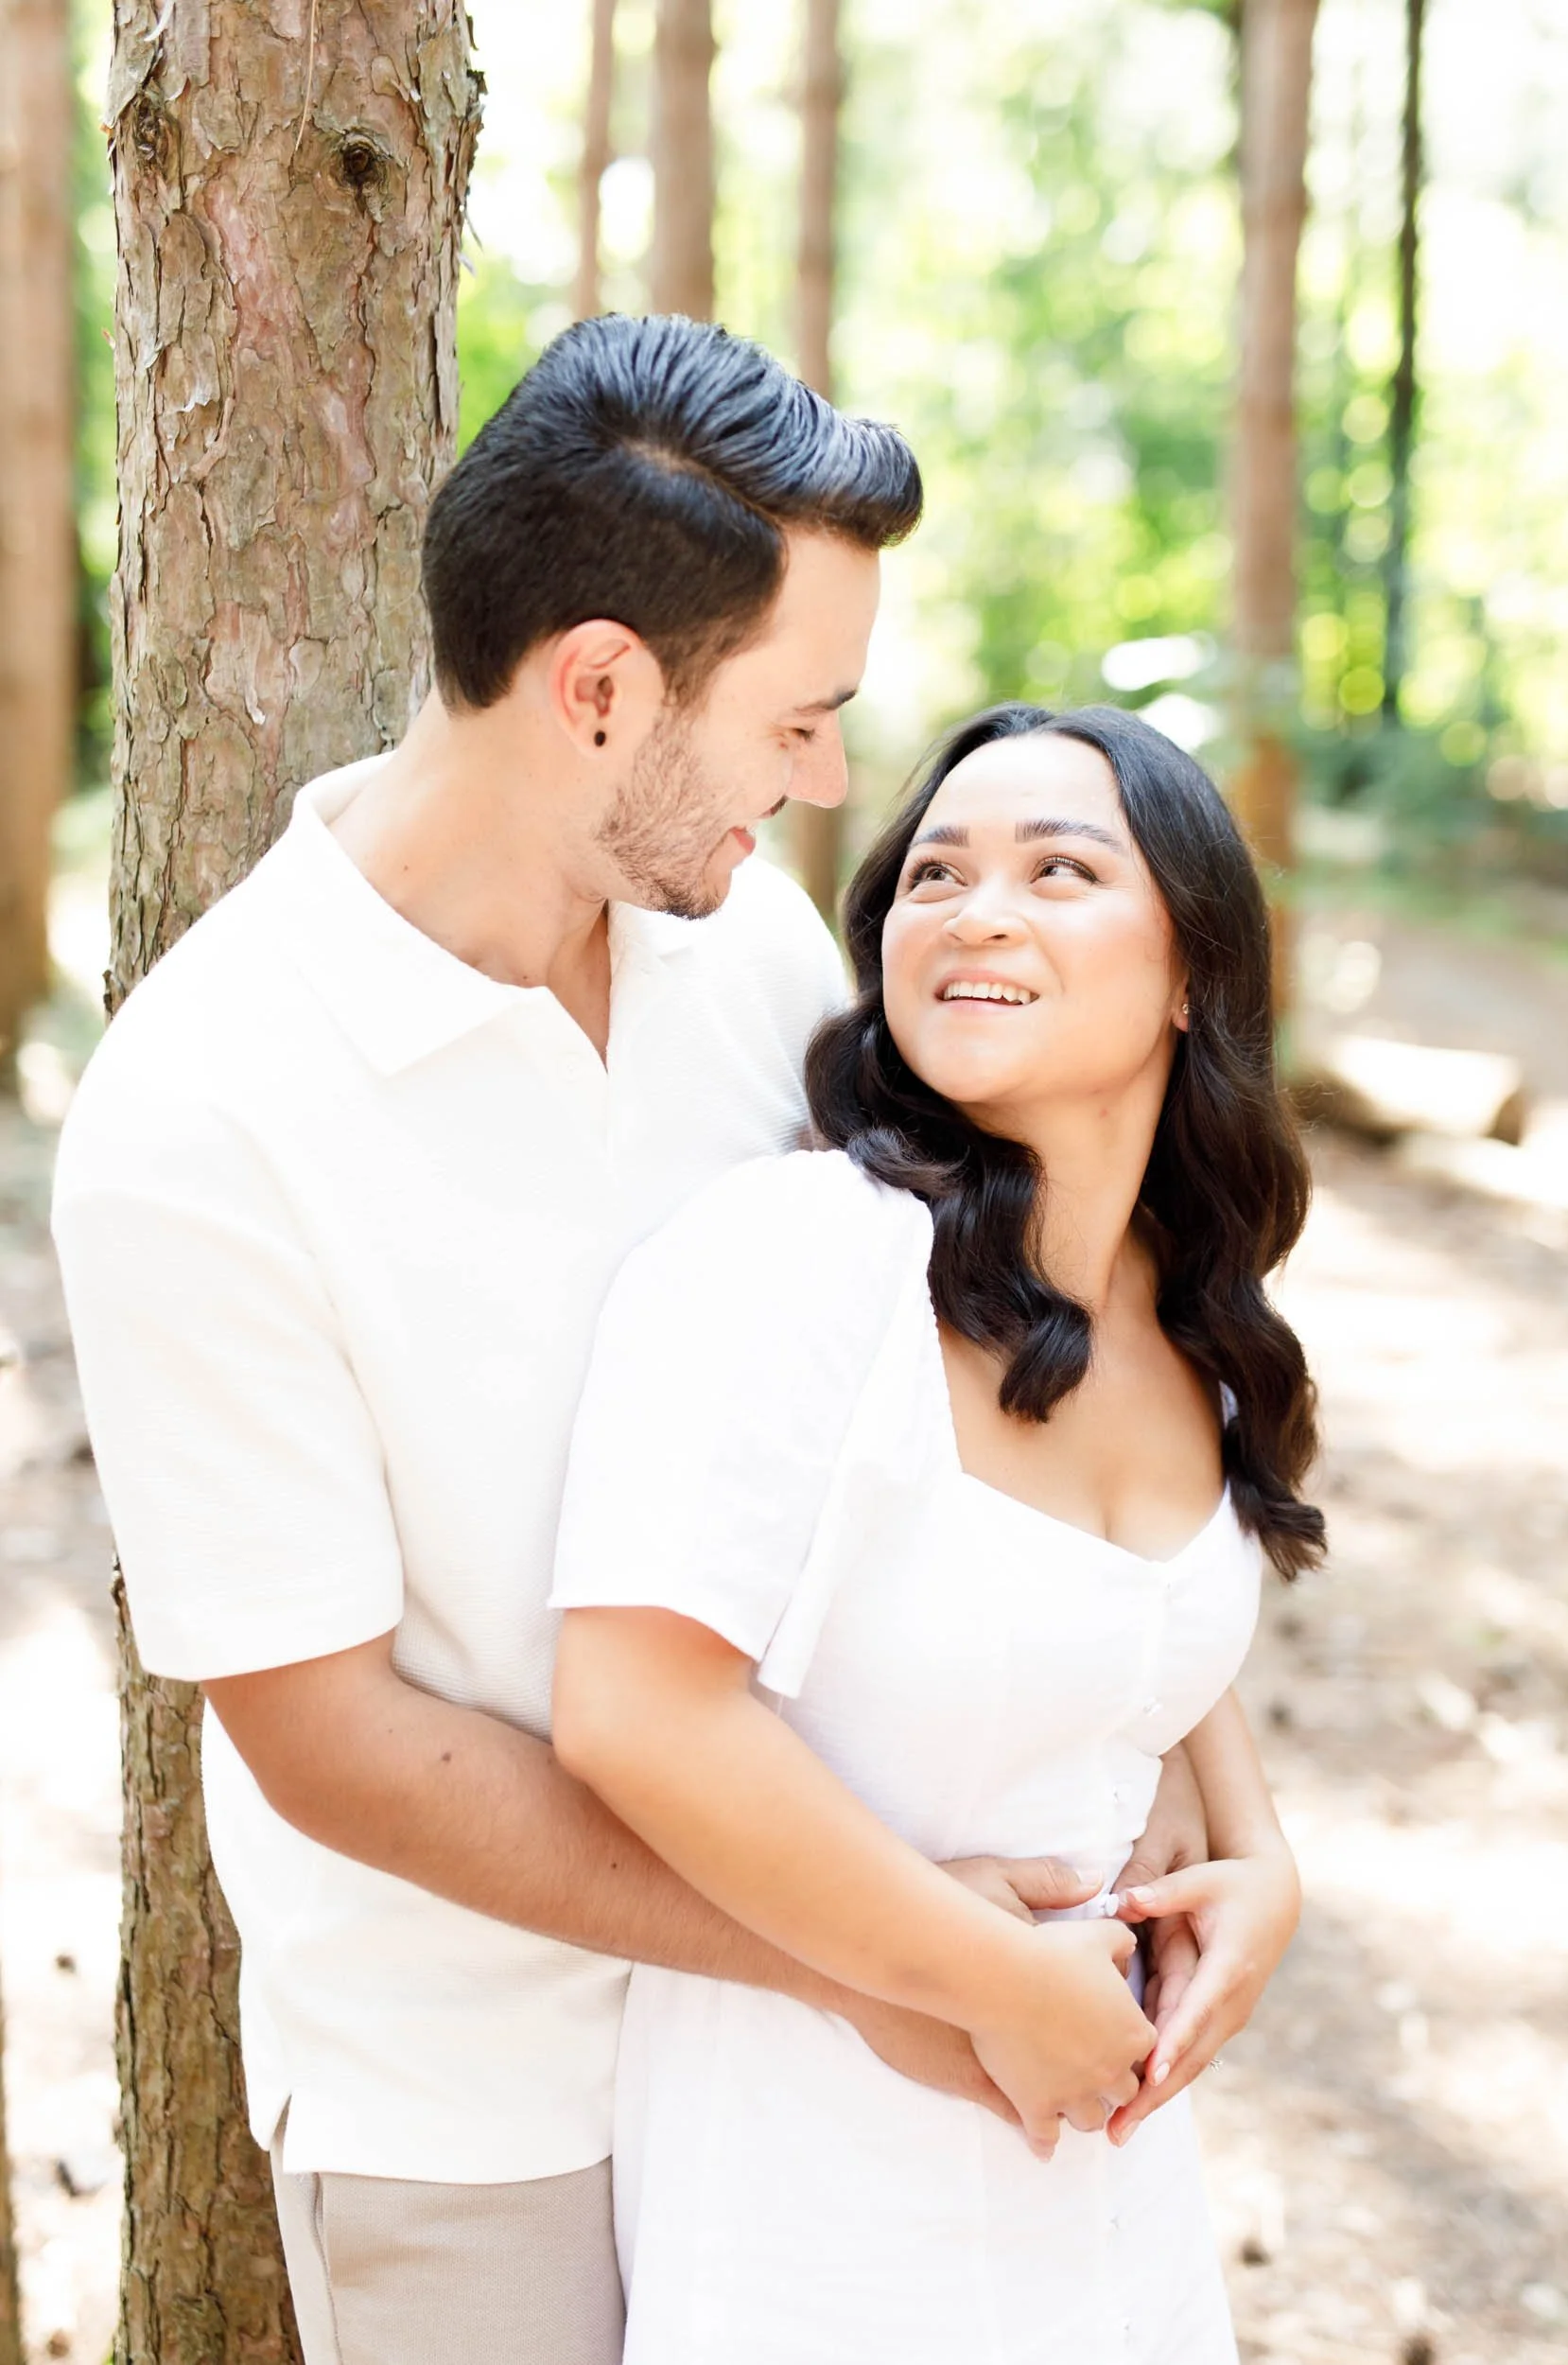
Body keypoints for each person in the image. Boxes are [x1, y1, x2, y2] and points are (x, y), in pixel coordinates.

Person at [50, 323, 1210, 2365]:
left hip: (837, 2052)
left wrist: (1185, 1795)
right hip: (485, 2109)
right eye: (796, 714)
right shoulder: (202, 1112)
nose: (832, 779)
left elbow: (1005, 1370)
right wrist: (869, 1959)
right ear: (596, 685)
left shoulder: (745, 948)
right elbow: (334, 1743)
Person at [551, 702, 1325, 2364]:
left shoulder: (1178, 1313)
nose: (976, 910)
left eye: (1060, 869)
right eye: (935, 874)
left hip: (1109, 2183)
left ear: (1192, 972)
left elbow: (1126, 1626)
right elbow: (629, 1709)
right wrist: (982, 1981)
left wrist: (1256, 1858)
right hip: (817, 2185)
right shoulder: (806, 1258)